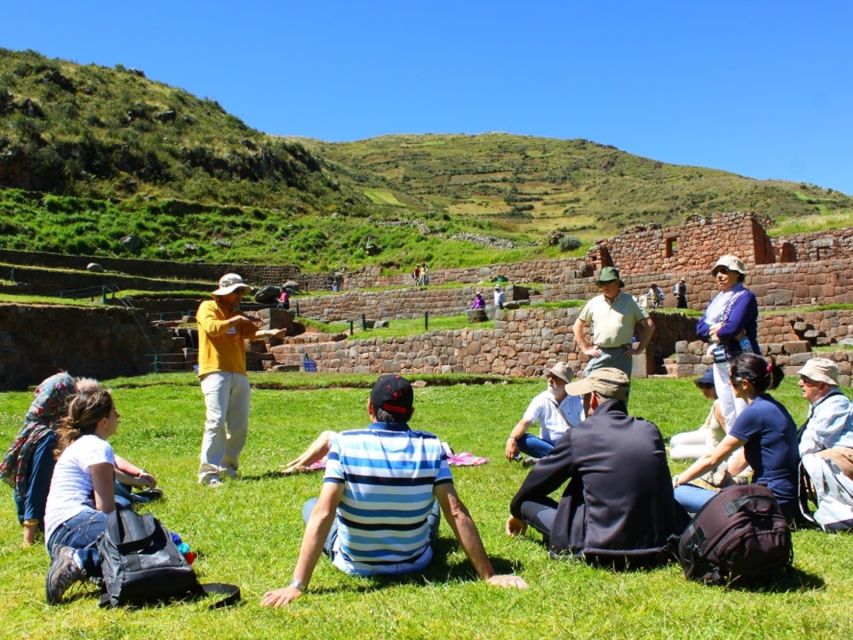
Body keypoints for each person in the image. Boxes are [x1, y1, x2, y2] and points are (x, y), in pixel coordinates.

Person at [261, 374, 527, 606]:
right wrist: (489, 575)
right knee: (435, 504)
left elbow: (323, 514)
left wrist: (297, 585)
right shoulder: (431, 446)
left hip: (356, 564)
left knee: (312, 506)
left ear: (370, 408)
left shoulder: (344, 444)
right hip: (415, 561)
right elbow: (456, 513)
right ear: (410, 413)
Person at [506, 368, 685, 567]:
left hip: (597, 546)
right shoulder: (650, 431)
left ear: (593, 399)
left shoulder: (580, 434)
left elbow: (537, 483)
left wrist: (516, 512)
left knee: (525, 503)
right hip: (657, 545)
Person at [0, 373, 156, 546]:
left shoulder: (73, 436)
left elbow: (106, 464)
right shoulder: (47, 439)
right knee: (125, 511)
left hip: (64, 519)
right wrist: (28, 539)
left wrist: (136, 476)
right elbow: (36, 488)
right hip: (62, 521)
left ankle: (137, 499)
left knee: (120, 496)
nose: (118, 415)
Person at [672, 353, 800, 522]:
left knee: (678, 494)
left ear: (744, 384)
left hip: (768, 506)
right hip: (784, 501)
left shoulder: (754, 413)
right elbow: (747, 456)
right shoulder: (773, 406)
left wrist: (677, 480)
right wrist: (726, 478)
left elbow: (713, 458)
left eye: (730, 379)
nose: (728, 384)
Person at [196, 273, 286, 487]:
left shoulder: (235, 314)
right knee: (215, 421)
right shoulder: (207, 307)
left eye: (241, 292)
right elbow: (212, 329)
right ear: (224, 292)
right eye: (236, 292)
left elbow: (252, 333)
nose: (239, 296)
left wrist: (270, 332)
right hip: (215, 370)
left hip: (239, 372)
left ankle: (227, 467)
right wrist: (234, 320)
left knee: (239, 424)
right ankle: (208, 474)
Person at [42, 388, 120, 604]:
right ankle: (79, 561)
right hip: (75, 523)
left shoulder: (81, 445)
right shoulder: (98, 447)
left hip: (57, 535)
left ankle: (85, 562)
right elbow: (106, 510)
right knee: (140, 541)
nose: (118, 416)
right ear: (102, 421)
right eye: (114, 412)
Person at [696, 255, 759, 432]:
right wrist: (717, 331)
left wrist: (720, 331)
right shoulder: (717, 301)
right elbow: (699, 328)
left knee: (742, 403)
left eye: (724, 271)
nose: (719, 276)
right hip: (720, 357)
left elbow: (732, 326)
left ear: (737, 274)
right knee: (726, 403)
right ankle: (733, 442)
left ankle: (747, 446)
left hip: (739, 357)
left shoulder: (744, 297)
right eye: (717, 272)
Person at [796, 358, 853, 531]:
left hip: (844, 458)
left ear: (822, 385)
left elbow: (812, 443)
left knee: (815, 460)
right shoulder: (820, 404)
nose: (800, 383)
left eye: (806, 380)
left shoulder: (836, 404)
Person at [573, 266, 654, 380]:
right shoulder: (594, 302)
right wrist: (585, 349)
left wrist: (638, 349)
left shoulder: (630, 301)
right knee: (590, 388)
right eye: (602, 283)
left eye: (609, 282)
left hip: (623, 354)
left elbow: (650, 325)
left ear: (617, 283)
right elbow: (577, 326)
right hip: (600, 352)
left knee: (620, 391)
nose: (605, 286)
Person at [505, 363, 583, 461]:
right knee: (521, 439)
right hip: (548, 446)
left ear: (565, 383)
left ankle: (551, 459)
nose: (550, 380)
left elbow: (588, 425)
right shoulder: (541, 399)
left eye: (555, 377)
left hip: (571, 446)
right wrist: (511, 439)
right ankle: (560, 459)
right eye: (549, 376)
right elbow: (525, 422)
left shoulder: (577, 400)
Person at [669, 369, 726, 461]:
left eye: (708, 386)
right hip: (710, 436)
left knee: (675, 452)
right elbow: (706, 426)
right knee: (674, 440)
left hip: (717, 446)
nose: (704, 390)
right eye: (701, 386)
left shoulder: (722, 405)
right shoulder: (716, 402)